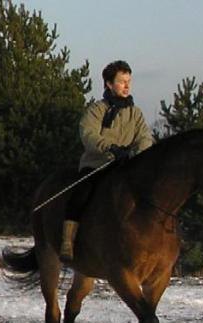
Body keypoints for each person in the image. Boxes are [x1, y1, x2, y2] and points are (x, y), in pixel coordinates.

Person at [60, 60, 154, 261]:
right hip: (97, 165)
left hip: (126, 167)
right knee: (81, 194)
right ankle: (68, 241)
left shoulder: (135, 113)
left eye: (129, 81)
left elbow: (145, 137)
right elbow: (88, 134)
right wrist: (110, 148)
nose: (127, 86)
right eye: (122, 82)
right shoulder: (97, 110)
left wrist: (136, 153)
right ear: (109, 84)